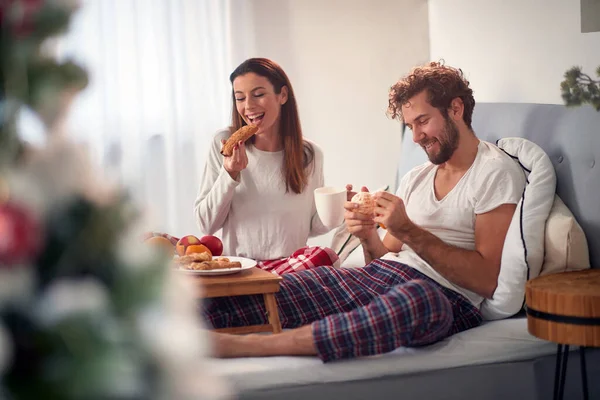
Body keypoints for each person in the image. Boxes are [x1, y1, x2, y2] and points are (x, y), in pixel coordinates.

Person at [204, 61, 527, 362]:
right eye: (409, 126)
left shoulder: (494, 172)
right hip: (382, 277)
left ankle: (253, 347)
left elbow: (486, 281)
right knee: (290, 285)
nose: (415, 137)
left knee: (417, 300)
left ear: (456, 109)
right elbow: (382, 259)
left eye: (423, 121)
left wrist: (408, 230)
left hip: (443, 297)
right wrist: (368, 235)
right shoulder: (418, 177)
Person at [193, 58, 342, 275]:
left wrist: (341, 206)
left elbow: (311, 226)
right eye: (240, 98)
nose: (249, 106)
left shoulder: (310, 154)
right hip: (241, 270)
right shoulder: (224, 144)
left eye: (258, 94)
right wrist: (230, 173)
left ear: (282, 95)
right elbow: (206, 224)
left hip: (292, 272)